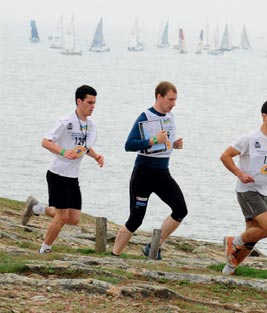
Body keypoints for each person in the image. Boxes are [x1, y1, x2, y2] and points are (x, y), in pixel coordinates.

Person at [22, 85, 104, 254]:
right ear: (79, 101)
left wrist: (96, 156)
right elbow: (45, 141)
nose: (92, 106)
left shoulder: (90, 125)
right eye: (89, 102)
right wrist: (63, 152)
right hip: (57, 174)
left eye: (94, 103)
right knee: (62, 216)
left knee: (73, 219)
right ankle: (44, 250)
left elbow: (83, 146)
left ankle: (36, 208)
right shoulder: (65, 121)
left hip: (72, 177)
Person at [111, 81, 187, 259]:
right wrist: (152, 140)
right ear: (159, 97)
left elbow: (163, 143)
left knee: (180, 210)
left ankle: (153, 246)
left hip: (162, 174)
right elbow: (129, 145)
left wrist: (173, 145)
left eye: (175, 100)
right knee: (136, 219)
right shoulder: (145, 116)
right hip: (143, 174)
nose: (173, 103)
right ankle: (114, 255)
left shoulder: (170, 117)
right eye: (170, 99)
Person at [220, 100, 267, 275]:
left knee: (253, 235)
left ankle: (228, 271)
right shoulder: (249, 139)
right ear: (264, 116)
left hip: (264, 190)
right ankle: (232, 241)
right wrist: (240, 174)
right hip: (247, 190)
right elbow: (225, 156)